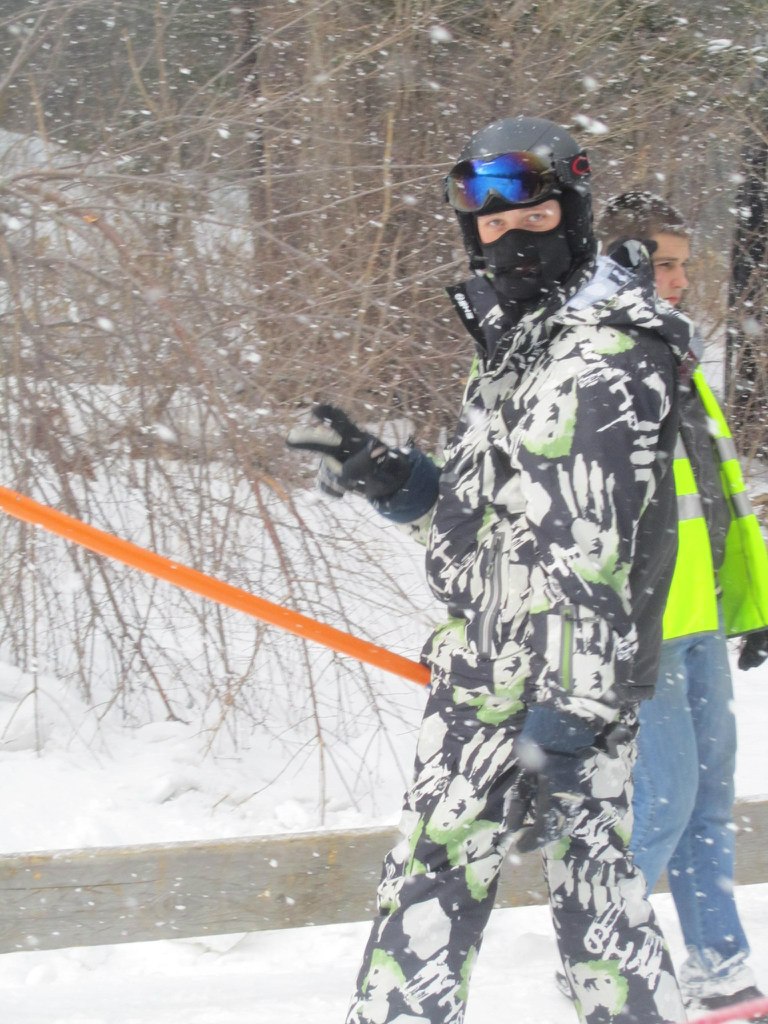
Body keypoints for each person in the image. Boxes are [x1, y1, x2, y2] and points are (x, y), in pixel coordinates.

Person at [286, 117, 695, 1024]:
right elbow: (493, 523)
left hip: (556, 684)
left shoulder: (606, 356)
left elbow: (599, 556)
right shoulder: (523, 345)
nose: (509, 240)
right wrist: (389, 477)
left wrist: (569, 718)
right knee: (440, 881)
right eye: (492, 226)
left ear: (576, 212)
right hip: (482, 668)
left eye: (535, 217)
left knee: (591, 897)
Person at [594, 191, 768, 1018]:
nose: (677, 279)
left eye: (683, 265)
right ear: (618, 263)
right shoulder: (602, 355)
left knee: (707, 800)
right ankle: (597, 948)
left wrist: (753, 601)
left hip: (700, 618)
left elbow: (718, 495)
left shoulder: (679, 355)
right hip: (645, 625)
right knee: (662, 797)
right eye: (661, 262)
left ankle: (719, 964)